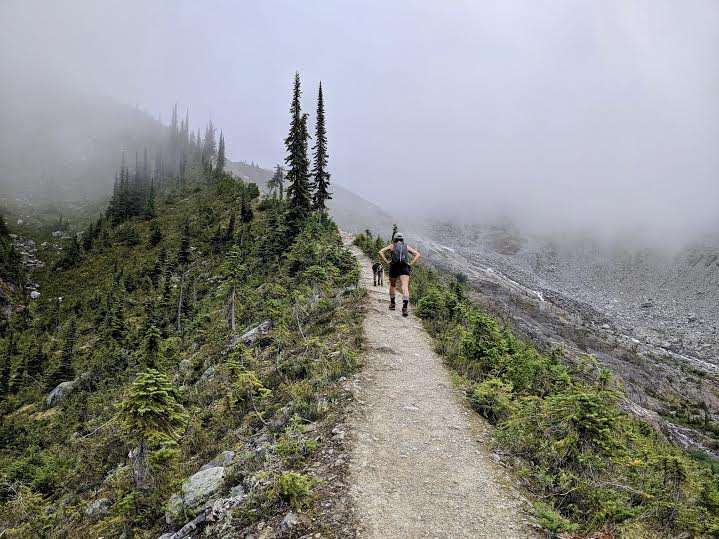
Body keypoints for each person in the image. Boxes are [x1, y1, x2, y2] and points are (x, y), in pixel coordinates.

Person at [378, 233, 421, 317]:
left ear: (395, 239)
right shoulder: (406, 247)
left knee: (393, 285)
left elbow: (380, 252)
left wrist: (387, 262)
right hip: (404, 268)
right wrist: (410, 264)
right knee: (405, 287)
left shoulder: (392, 246)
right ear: (402, 239)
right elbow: (417, 254)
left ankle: (393, 304)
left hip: (394, 267)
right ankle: (404, 308)